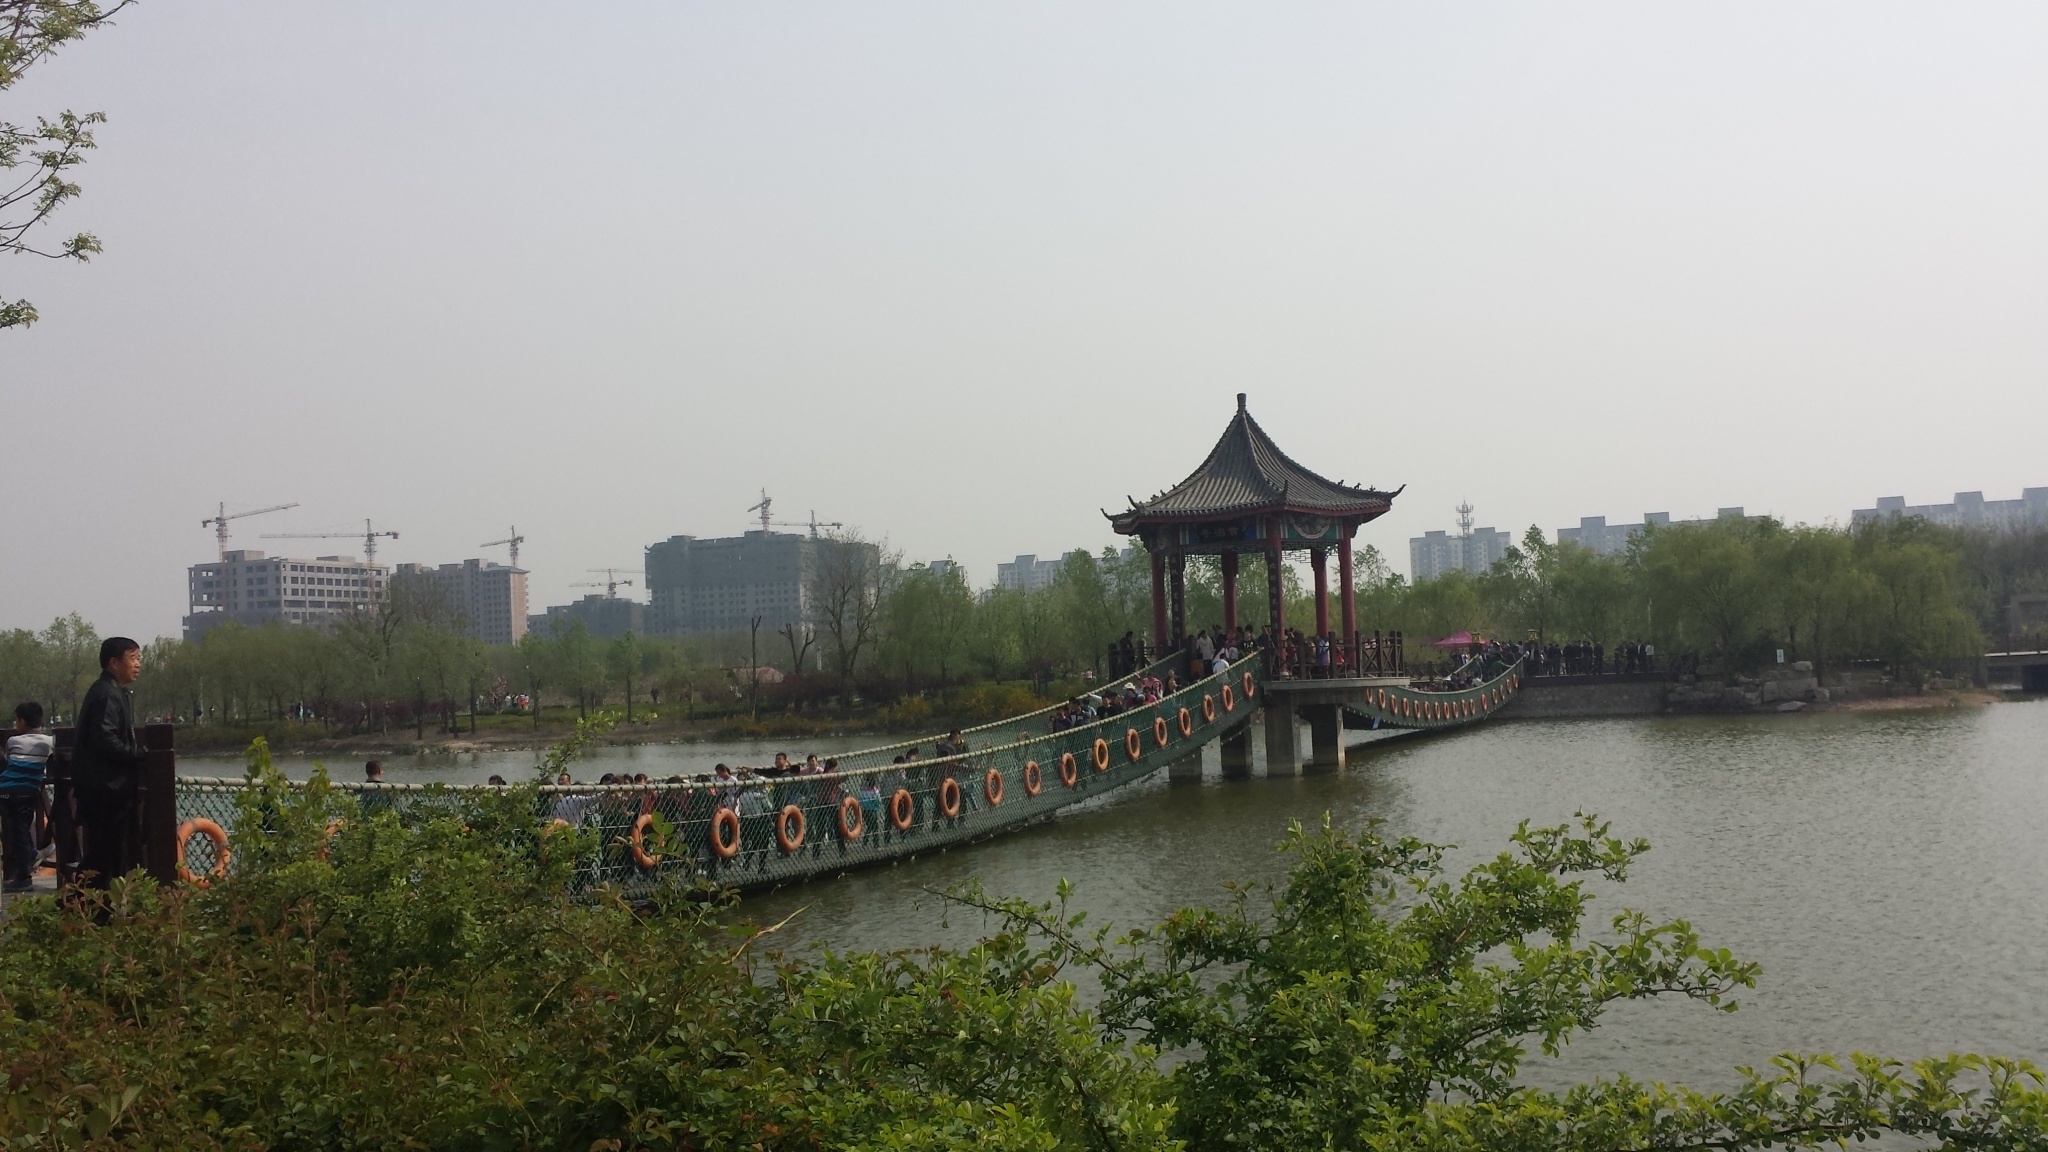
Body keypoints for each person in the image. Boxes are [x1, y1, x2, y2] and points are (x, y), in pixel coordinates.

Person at [73, 637, 145, 889]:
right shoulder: (107, 694)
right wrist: (137, 755)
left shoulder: (108, 690)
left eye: (138, 658)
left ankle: (90, 904)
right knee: (103, 857)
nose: (138, 664)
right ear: (113, 662)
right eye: (133, 658)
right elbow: (104, 738)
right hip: (105, 792)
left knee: (106, 856)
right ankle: (81, 904)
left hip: (103, 790)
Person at [3, 702, 53, 893]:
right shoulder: (49, 742)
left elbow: (8, 760)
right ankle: (32, 855)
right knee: (21, 829)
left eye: (16, 720)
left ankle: (23, 877)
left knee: (18, 831)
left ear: (22, 721)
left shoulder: (13, 741)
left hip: (8, 791)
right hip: (31, 790)